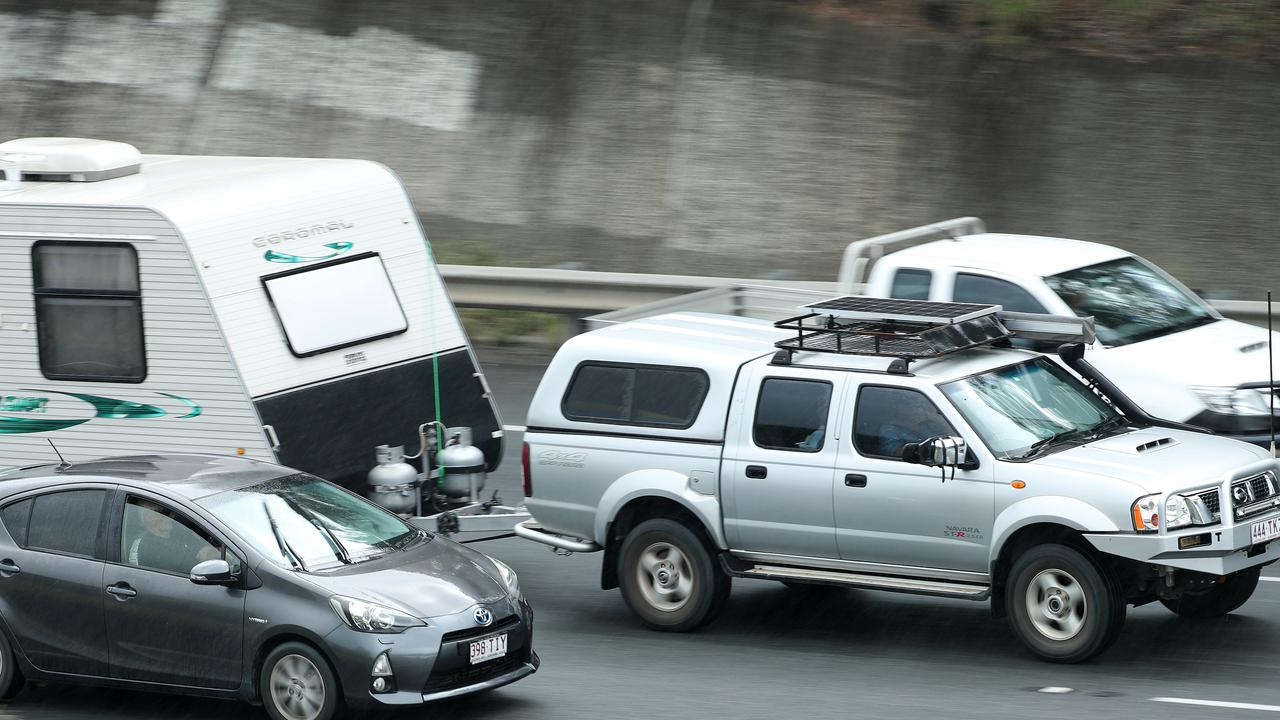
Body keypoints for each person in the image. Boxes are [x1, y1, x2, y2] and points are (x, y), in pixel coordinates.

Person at [128, 500, 220, 574]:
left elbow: (202, 551)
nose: (173, 515)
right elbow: (194, 567)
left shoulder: (178, 532)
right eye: (166, 512)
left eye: (171, 511)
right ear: (148, 518)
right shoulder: (149, 546)